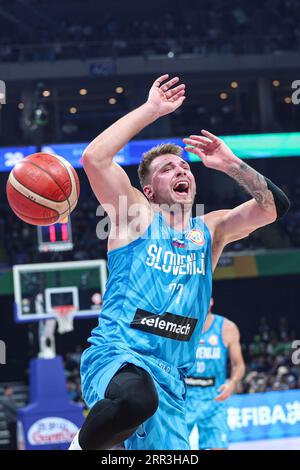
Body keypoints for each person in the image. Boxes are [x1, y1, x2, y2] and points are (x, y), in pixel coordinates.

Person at [69, 74, 290, 450]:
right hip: (118, 355)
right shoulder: (135, 214)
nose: (182, 170)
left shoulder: (211, 230)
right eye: (168, 168)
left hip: (172, 381)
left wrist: (231, 163)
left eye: (184, 167)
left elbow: (274, 208)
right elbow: (95, 158)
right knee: (137, 398)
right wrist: (152, 109)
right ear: (150, 190)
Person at [185, 297, 245, 450]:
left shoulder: (227, 328)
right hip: (184, 396)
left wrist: (232, 383)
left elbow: (239, 365)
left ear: (211, 301)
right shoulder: (179, 325)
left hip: (214, 397)